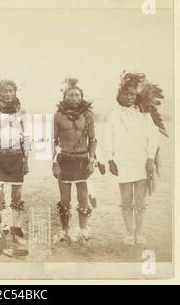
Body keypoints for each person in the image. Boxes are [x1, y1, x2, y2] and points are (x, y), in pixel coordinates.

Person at [104, 72, 162, 245]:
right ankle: (129, 232)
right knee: (126, 200)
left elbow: (153, 136)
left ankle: (139, 232)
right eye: (126, 94)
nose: (129, 97)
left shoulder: (143, 113)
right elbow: (109, 138)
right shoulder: (114, 115)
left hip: (141, 161)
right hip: (122, 162)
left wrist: (150, 158)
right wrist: (110, 160)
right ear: (119, 95)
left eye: (132, 94)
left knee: (140, 201)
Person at [0, 79, 31, 244]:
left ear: (15, 92)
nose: (8, 94)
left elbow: (27, 137)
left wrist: (26, 160)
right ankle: (1, 227)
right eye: (5, 91)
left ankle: (16, 229)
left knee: (16, 194)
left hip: (16, 155)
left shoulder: (21, 112)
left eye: (11, 90)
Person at [52, 78, 96, 242]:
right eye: (70, 95)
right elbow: (54, 141)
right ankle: (64, 230)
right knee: (65, 198)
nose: (74, 98)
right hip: (64, 159)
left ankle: (84, 230)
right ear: (65, 97)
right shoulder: (58, 116)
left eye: (77, 95)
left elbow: (92, 140)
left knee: (83, 197)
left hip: (82, 159)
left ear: (82, 96)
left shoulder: (88, 115)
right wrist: (55, 163)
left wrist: (91, 161)